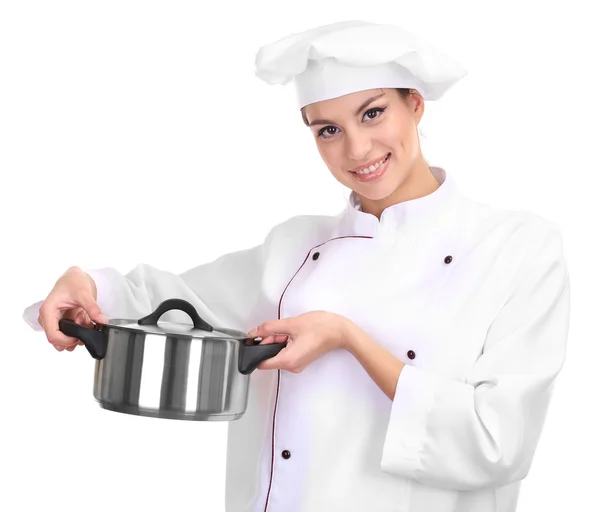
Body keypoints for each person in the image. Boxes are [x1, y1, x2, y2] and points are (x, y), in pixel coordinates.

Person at [22, 20, 570, 512]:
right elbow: (170, 303)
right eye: (326, 129)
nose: (356, 149)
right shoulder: (294, 246)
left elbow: (498, 442)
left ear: (416, 104)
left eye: (373, 112)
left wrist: (346, 337)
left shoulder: (515, 248)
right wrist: (85, 284)